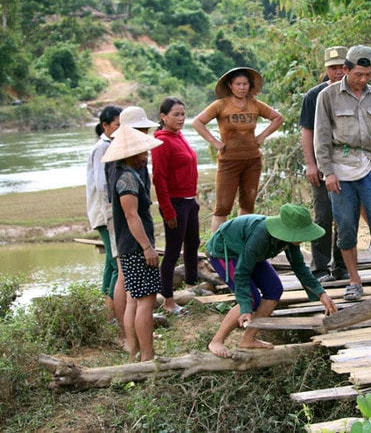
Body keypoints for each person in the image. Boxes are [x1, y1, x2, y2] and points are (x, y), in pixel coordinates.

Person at [314, 45, 371, 301]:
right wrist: (327, 172)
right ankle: (354, 280)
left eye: (367, 75)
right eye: (357, 75)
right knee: (346, 226)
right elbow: (321, 138)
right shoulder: (327, 96)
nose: (362, 80)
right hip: (340, 169)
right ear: (345, 70)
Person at [206, 204, 338, 357]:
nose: (302, 239)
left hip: (248, 253)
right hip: (225, 251)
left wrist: (321, 294)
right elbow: (242, 272)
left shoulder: (290, 239)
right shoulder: (260, 236)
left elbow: (300, 268)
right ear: (288, 230)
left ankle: (248, 339)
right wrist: (246, 308)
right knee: (252, 298)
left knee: (274, 289)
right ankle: (216, 340)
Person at [192, 67, 284, 232]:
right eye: (238, 84)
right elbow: (197, 122)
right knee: (223, 206)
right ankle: (216, 248)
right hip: (228, 162)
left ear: (250, 86)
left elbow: (278, 118)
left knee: (248, 204)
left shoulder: (255, 104)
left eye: (245, 84)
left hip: (252, 161)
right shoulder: (220, 105)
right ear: (230, 85)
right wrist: (215, 142)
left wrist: (261, 137)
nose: (242, 88)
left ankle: (241, 243)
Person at [103, 123, 164, 362]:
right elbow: (131, 215)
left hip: (128, 247)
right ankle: (147, 357)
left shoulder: (120, 173)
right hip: (136, 247)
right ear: (131, 154)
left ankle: (135, 353)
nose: (145, 155)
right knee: (146, 302)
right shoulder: (127, 179)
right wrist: (147, 247)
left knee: (135, 299)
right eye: (142, 152)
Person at [299, 46, 349, 283]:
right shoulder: (314, 95)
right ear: (326, 69)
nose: (338, 72)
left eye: (342, 67)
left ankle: (341, 266)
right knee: (323, 216)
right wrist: (311, 163)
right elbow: (307, 132)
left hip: (348, 165)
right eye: (333, 67)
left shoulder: (355, 93)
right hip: (322, 164)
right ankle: (319, 268)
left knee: (345, 216)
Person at [151, 97, 200, 315]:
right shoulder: (161, 142)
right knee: (172, 251)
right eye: (175, 115)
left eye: (183, 114)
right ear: (163, 117)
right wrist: (168, 209)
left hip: (190, 200)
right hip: (175, 203)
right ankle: (168, 301)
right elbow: (159, 179)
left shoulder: (179, 136)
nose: (181, 119)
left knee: (193, 243)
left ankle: (191, 287)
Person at [86, 105, 121, 318]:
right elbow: (102, 184)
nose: (120, 129)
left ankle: (107, 307)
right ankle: (113, 311)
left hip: (107, 212)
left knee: (111, 260)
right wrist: (111, 211)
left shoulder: (112, 144)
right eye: (117, 125)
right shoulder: (102, 147)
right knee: (116, 262)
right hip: (106, 213)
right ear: (105, 126)